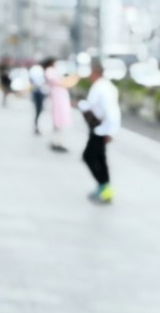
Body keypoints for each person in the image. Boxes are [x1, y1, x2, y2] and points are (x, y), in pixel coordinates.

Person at [78, 60, 121, 204]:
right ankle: (105, 188)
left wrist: (111, 131)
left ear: (96, 72)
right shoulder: (103, 86)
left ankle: (104, 186)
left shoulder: (102, 87)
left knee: (89, 156)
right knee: (100, 158)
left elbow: (111, 110)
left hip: (101, 129)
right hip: (100, 127)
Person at [43, 57, 79, 153]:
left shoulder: (51, 71)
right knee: (58, 121)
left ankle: (57, 141)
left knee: (59, 122)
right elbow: (63, 82)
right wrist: (74, 79)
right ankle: (57, 142)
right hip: (58, 98)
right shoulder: (50, 71)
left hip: (58, 98)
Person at [29, 62, 47, 135]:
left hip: (36, 92)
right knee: (38, 110)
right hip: (38, 92)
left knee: (38, 110)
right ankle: (36, 126)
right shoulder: (39, 70)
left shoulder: (34, 70)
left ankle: (36, 126)